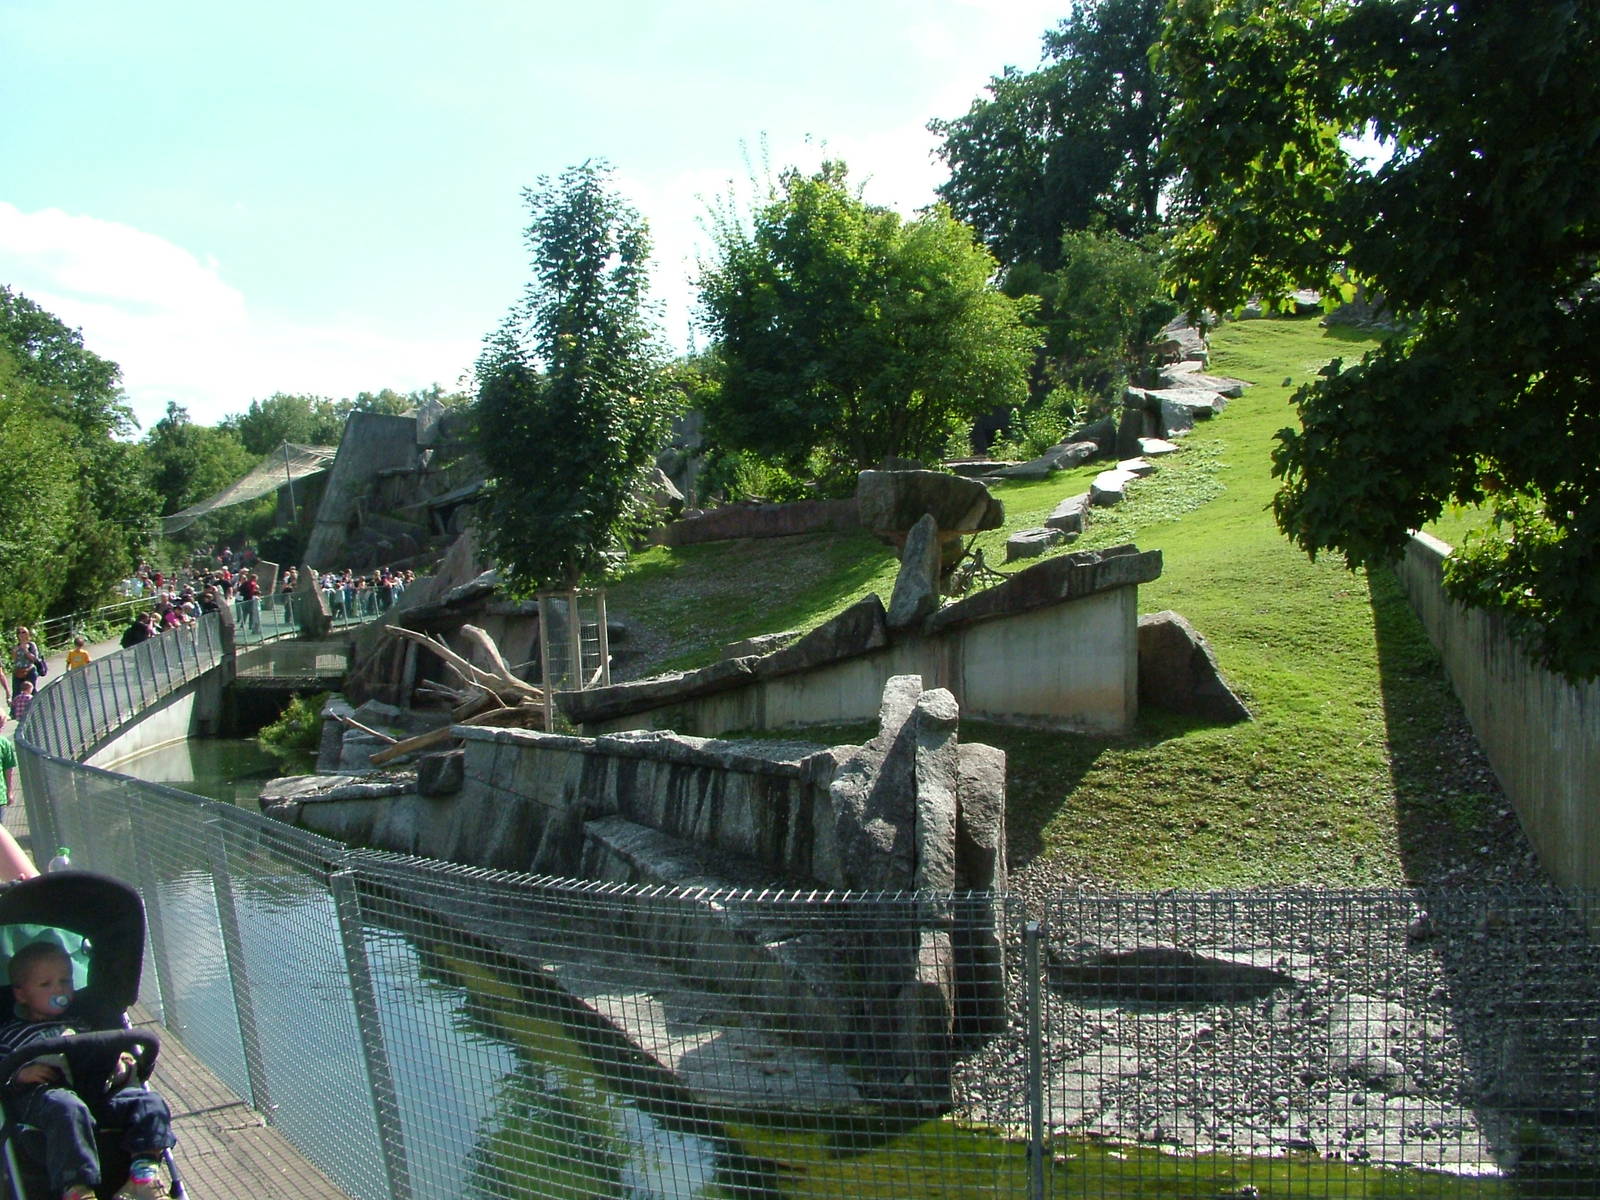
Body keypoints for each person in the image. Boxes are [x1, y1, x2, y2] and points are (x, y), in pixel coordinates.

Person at [0, 942, 174, 1200]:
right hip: (46, 1100)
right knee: (68, 1107)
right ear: (22, 994)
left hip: (97, 1092)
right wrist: (19, 1075)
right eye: (46, 985)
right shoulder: (11, 1033)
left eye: (65, 981)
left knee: (150, 1102)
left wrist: (122, 1064)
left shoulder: (81, 1023)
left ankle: (143, 1174)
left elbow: (105, 1053)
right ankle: (77, 1188)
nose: (59, 989)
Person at [0, 711, 16, 823]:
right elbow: (8, 769)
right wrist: (9, 791)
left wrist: (9, 791)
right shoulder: (4, 743)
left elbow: (8, 768)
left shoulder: (4, 743)